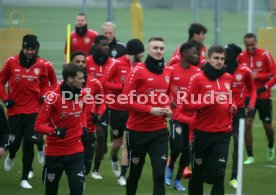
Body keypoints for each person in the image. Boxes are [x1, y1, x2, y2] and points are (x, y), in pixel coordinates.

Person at [122, 37, 172, 195]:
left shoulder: (168, 71)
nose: (159, 51)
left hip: (159, 132)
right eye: (155, 48)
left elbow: (168, 96)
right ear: (148, 51)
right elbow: (124, 100)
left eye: (161, 48)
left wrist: (168, 109)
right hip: (137, 132)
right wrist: (150, 109)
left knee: (159, 175)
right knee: (135, 173)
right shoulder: (137, 70)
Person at [184, 45, 236, 195]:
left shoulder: (228, 77)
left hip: (223, 133)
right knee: (198, 173)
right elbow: (187, 104)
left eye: (222, 59)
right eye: (216, 58)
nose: (219, 62)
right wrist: (206, 101)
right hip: (202, 133)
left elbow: (229, 98)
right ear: (208, 58)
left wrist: (231, 105)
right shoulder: (197, 78)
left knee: (219, 175)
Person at [0, 34, 49, 189]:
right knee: (14, 143)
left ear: (36, 49)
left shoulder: (42, 65)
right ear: (22, 48)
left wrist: (44, 95)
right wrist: (5, 99)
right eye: (27, 49)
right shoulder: (11, 62)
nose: (29, 52)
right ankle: (12, 154)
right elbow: (1, 81)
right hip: (14, 111)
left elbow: (47, 84)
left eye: (32, 49)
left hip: (33, 110)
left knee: (30, 141)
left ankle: (24, 177)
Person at [34, 63, 86, 195]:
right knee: (51, 190)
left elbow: (83, 111)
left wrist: (84, 126)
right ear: (70, 79)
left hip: (76, 151)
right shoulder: (53, 97)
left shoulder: (83, 94)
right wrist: (54, 131)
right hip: (54, 153)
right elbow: (38, 125)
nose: (83, 81)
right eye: (80, 78)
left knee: (77, 190)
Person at [102, 39, 144, 186]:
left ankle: (122, 175)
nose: (143, 56)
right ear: (134, 53)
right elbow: (104, 82)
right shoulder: (117, 63)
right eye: (141, 53)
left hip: (131, 110)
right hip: (116, 109)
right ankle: (113, 156)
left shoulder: (140, 66)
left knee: (128, 143)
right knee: (116, 144)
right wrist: (122, 87)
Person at [165, 41, 200, 191]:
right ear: (184, 53)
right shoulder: (171, 70)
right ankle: (170, 166)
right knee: (177, 147)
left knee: (187, 150)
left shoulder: (198, 73)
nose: (197, 56)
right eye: (194, 53)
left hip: (192, 118)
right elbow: (162, 89)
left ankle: (178, 180)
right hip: (176, 117)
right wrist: (168, 100)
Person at [237, 33, 276, 164]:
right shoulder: (241, 56)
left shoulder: (265, 55)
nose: (250, 48)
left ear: (256, 43)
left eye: (252, 45)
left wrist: (259, 78)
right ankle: (250, 155)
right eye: (247, 45)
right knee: (248, 123)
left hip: (264, 96)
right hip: (248, 95)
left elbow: (274, 75)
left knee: (267, 126)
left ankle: (271, 145)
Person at [86, 35, 118, 179]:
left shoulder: (113, 63)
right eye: (103, 45)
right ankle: (82, 163)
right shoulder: (86, 62)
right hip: (85, 103)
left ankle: (96, 169)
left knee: (100, 134)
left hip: (104, 103)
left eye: (108, 45)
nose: (106, 48)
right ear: (95, 46)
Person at [225, 44, 256, 189]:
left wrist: (251, 104)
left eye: (227, 52)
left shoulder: (244, 70)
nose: (224, 55)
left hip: (238, 112)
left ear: (234, 55)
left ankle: (234, 177)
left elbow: (253, 89)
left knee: (237, 141)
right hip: (220, 112)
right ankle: (209, 171)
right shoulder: (219, 68)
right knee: (218, 143)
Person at [71, 51, 106, 176]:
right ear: (72, 63)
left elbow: (102, 102)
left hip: (90, 128)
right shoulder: (65, 84)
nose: (81, 64)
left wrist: (98, 113)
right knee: (72, 163)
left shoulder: (94, 83)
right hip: (72, 128)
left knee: (86, 168)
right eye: (77, 61)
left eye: (83, 62)